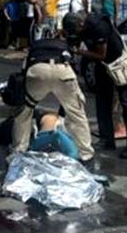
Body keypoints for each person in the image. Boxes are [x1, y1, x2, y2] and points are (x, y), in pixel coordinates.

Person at [64, 12, 127, 159]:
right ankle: (107, 140)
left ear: (81, 24)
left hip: (119, 64)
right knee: (102, 103)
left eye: (77, 31)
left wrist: (78, 51)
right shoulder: (80, 24)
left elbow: (101, 55)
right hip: (103, 66)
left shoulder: (99, 26)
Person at [10, 33, 94, 163]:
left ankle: (19, 151)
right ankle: (85, 153)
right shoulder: (65, 46)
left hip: (38, 71)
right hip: (63, 70)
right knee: (77, 113)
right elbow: (74, 69)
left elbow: (24, 70)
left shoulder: (35, 47)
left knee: (24, 113)